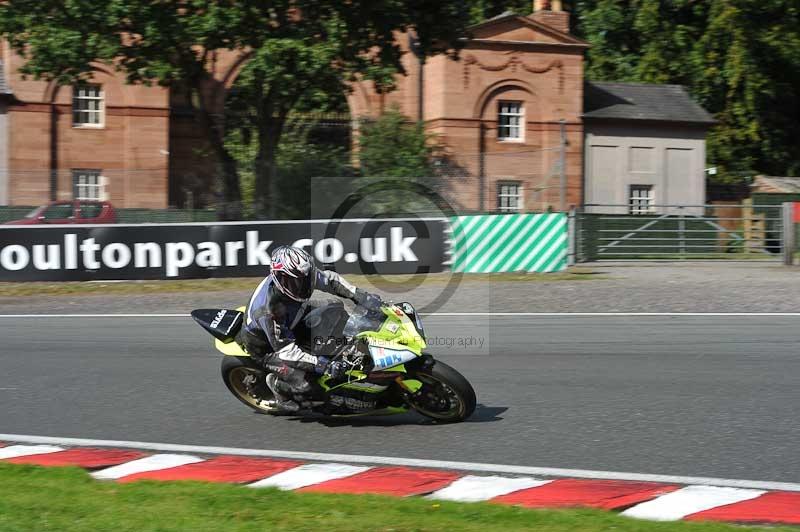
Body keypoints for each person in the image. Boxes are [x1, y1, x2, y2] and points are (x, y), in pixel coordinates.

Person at [237, 245, 382, 413]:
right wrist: (324, 366)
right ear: (280, 278)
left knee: (334, 309)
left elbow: (330, 281)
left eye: (305, 278)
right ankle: (278, 386)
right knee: (308, 387)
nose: (303, 285)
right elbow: (287, 353)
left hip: (292, 320)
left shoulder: (303, 276)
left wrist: (361, 296)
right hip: (267, 348)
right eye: (295, 281)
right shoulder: (270, 311)